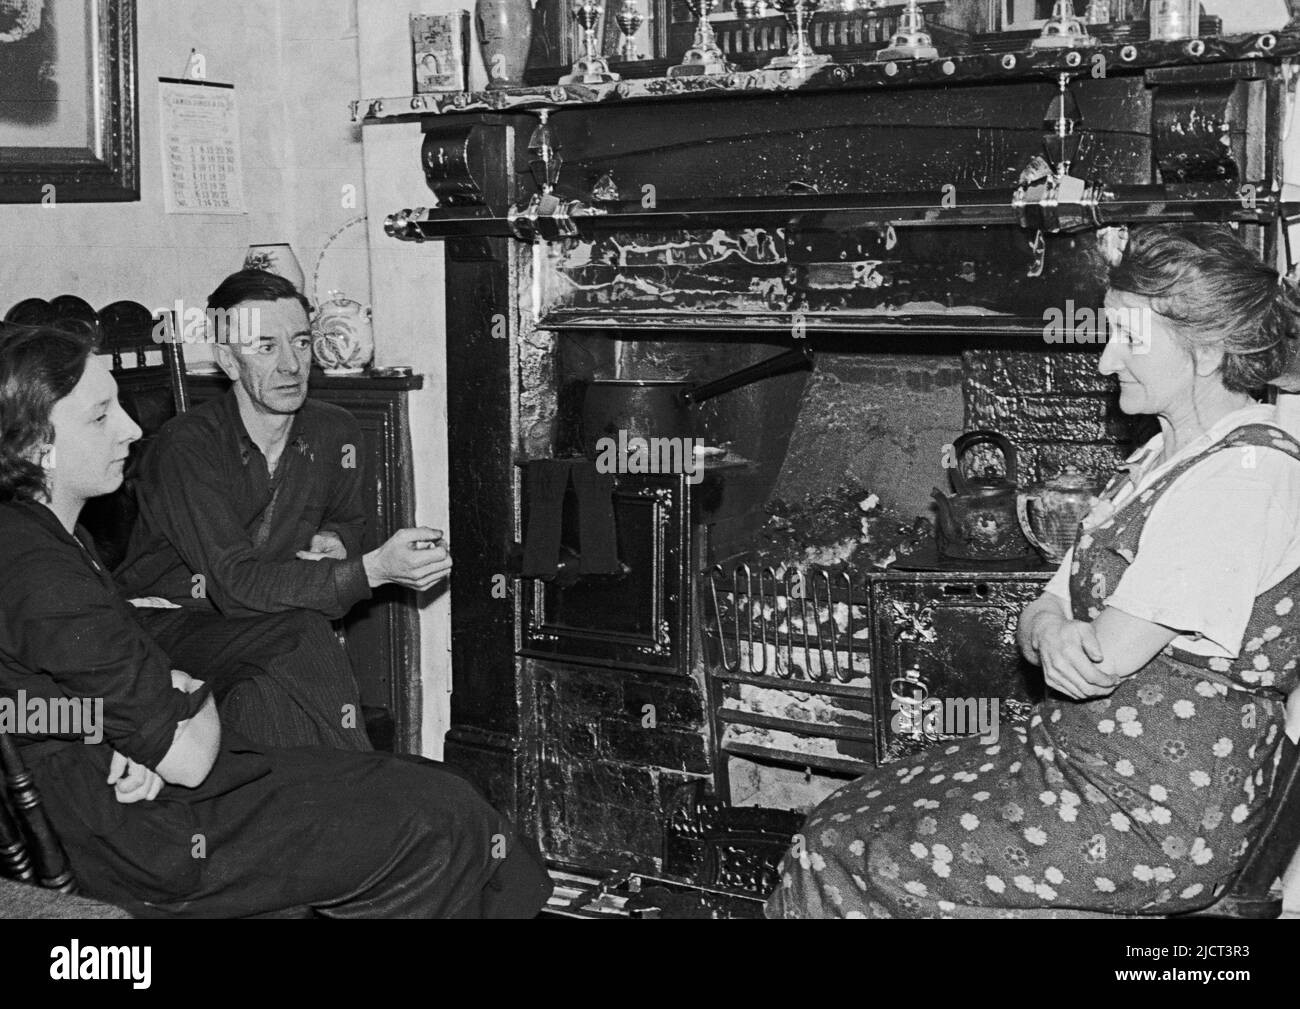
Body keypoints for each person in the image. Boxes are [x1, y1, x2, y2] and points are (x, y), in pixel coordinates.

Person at [769, 223, 1300, 918]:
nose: (1107, 361)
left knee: (844, 847)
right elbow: (1046, 607)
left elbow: (1102, 656)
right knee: (843, 815)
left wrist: (1057, 633)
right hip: (1073, 759)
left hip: (1148, 813)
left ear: (1204, 351)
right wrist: (1051, 629)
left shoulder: (1241, 477)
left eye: (1128, 338)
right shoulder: (1164, 455)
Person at [0, 325, 552, 917]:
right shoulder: (41, 567)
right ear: (37, 444)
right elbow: (184, 756)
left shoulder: (37, 532)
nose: (132, 429)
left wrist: (121, 724)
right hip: (144, 837)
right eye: (101, 415)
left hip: (121, 791)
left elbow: (60, 690)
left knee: (431, 784)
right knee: (441, 817)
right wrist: (185, 699)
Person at [114, 269, 450, 751]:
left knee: (265, 707)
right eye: (266, 347)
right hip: (166, 624)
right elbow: (235, 587)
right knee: (300, 635)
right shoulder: (186, 447)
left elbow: (348, 520)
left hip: (260, 627)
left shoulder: (336, 432)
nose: (292, 365)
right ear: (229, 361)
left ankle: (329, 811)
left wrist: (336, 540)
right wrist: (373, 569)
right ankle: (367, 789)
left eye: (301, 342)